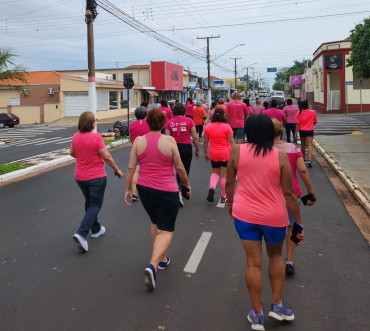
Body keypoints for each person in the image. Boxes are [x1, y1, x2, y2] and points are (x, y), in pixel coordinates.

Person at [226, 114, 303, 331]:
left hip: (244, 215)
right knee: (276, 257)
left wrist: (231, 204)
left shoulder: (237, 151)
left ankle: (257, 314)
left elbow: (230, 182)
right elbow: (288, 193)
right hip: (274, 217)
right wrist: (298, 220)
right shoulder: (279, 156)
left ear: (248, 132)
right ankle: (277, 306)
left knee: (252, 262)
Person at [125, 108, 191, 291]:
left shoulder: (138, 141)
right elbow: (179, 167)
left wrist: (128, 189)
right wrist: (186, 184)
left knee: (155, 222)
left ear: (147, 122)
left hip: (145, 189)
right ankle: (152, 265)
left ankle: (162, 259)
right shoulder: (169, 141)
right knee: (167, 230)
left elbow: (131, 168)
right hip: (167, 190)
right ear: (163, 123)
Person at [70, 111, 123, 252]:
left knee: (89, 202)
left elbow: (72, 153)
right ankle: (81, 233)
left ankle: (96, 229)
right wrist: (117, 169)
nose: (95, 122)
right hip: (96, 177)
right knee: (95, 204)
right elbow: (106, 156)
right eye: (95, 120)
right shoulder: (96, 137)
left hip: (80, 177)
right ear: (91, 123)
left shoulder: (76, 136)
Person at [272, 119, 315, 275]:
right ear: (281, 131)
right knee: (291, 226)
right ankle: (289, 260)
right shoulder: (292, 148)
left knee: (275, 227)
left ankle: (275, 259)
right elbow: (303, 171)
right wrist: (310, 193)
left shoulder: (263, 150)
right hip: (292, 194)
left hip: (271, 195)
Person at [166, 103, 199, 207]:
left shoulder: (170, 122)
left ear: (174, 111)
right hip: (186, 147)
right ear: (184, 111)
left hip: (174, 148)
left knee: (177, 169)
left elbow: (167, 137)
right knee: (184, 169)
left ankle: (178, 190)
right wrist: (197, 150)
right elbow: (195, 137)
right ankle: (180, 192)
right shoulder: (189, 121)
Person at [203, 108, 235, 203]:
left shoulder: (208, 127)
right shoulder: (227, 127)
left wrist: (205, 153)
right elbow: (232, 141)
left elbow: (205, 141)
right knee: (224, 175)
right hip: (226, 153)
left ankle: (212, 187)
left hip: (214, 153)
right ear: (223, 115)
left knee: (215, 172)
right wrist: (236, 152)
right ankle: (223, 196)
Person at [129, 106, 150, 201]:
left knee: (136, 171)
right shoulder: (150, 124)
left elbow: (130, 137)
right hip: (148, 149)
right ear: (146, 115)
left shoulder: (132, 125)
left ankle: (134, 192)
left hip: (136, 150)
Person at [295, 100, 318, 167]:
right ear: (308, 105)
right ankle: (310, 160)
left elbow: (297, 124)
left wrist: (295, 132)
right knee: (309, 145)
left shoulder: (299, 113)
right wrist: (312, 124)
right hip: (310, 130)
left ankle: (304, 159)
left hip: (302, 130)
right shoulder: (313, 112)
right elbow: (315, 121)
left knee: (303, 145)